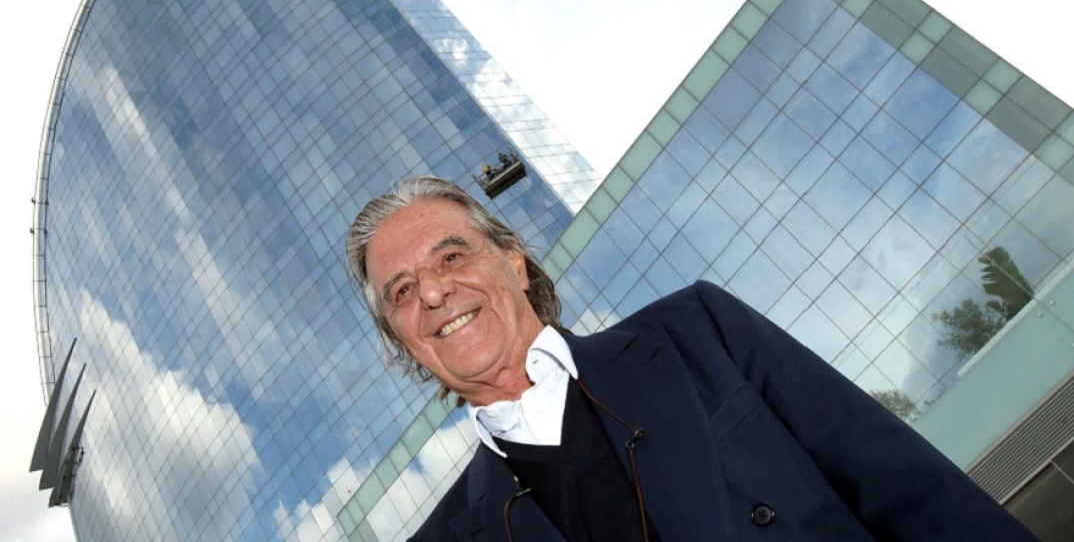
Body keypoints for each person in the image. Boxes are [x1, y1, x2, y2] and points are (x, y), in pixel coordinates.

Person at [346, 175, 1037, 542]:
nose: (432, 292)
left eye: (452, 256)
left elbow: (905, 488)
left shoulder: (698, 333)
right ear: (402, 340)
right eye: (401, 291)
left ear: (515, 262)